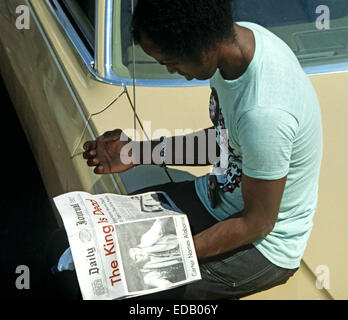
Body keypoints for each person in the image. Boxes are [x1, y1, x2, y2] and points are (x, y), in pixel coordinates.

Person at [82, 0, 323, 300]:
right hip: (217, 200)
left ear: (202, 43)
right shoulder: (239, 48)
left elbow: (257, 222)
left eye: (170, 60)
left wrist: (172, 252)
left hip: (264, 247)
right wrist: (135, 153)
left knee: (131, 291)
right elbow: (224, 143)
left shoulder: (264, 113)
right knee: (100, 234)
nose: (171, 69)